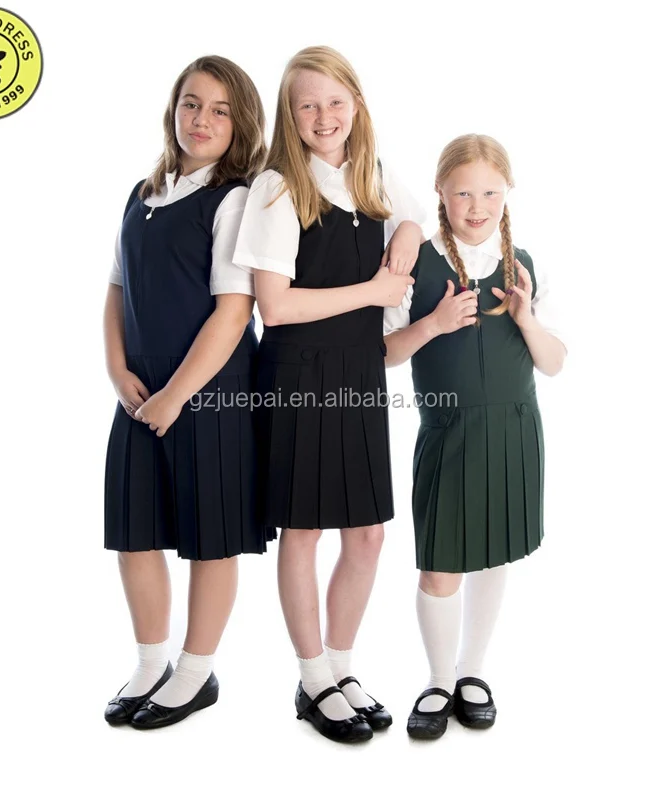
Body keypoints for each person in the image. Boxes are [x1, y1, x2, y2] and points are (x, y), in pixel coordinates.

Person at [233, 45, 425, 744]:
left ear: (357, 105)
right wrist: (374, 290)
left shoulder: (371, 172)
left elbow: (416, 218)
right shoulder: (277, 187)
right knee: (305, 529)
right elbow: (276, 307)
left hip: (359, 373)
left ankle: (342, 669)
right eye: (307, 104)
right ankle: (312, 677)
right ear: (289, 114)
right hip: (298, 374)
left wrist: (408, 232)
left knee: (368, 532)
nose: (323, 116)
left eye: (335, 101)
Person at [102, 55, 275, 730]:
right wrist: (117, 370)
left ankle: (196, 673)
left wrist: (175, 396)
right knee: (134, 532)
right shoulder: (141, 194)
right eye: (192, 104)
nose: (202, 120)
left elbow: (233, 314)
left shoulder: (235, 200)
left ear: (241, 124)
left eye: (221, 110)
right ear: (173, 110)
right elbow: (115, 289)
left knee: (211, 537)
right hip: (139, 390)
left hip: (210, 391)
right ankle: (151, 664)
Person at [383, 133, 567, 739]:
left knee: (495, 552)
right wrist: (434, 325)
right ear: (440, 191)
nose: (477, 206)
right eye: (463, 193)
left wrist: (526, 317)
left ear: (508, 192)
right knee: (441, 567)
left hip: (515, 432)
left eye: (490, 193)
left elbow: (553, 363)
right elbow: (382, 353)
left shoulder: (523, 266)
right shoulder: (418, 261)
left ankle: (472, 672)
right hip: (449, 432)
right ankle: (438, 680)